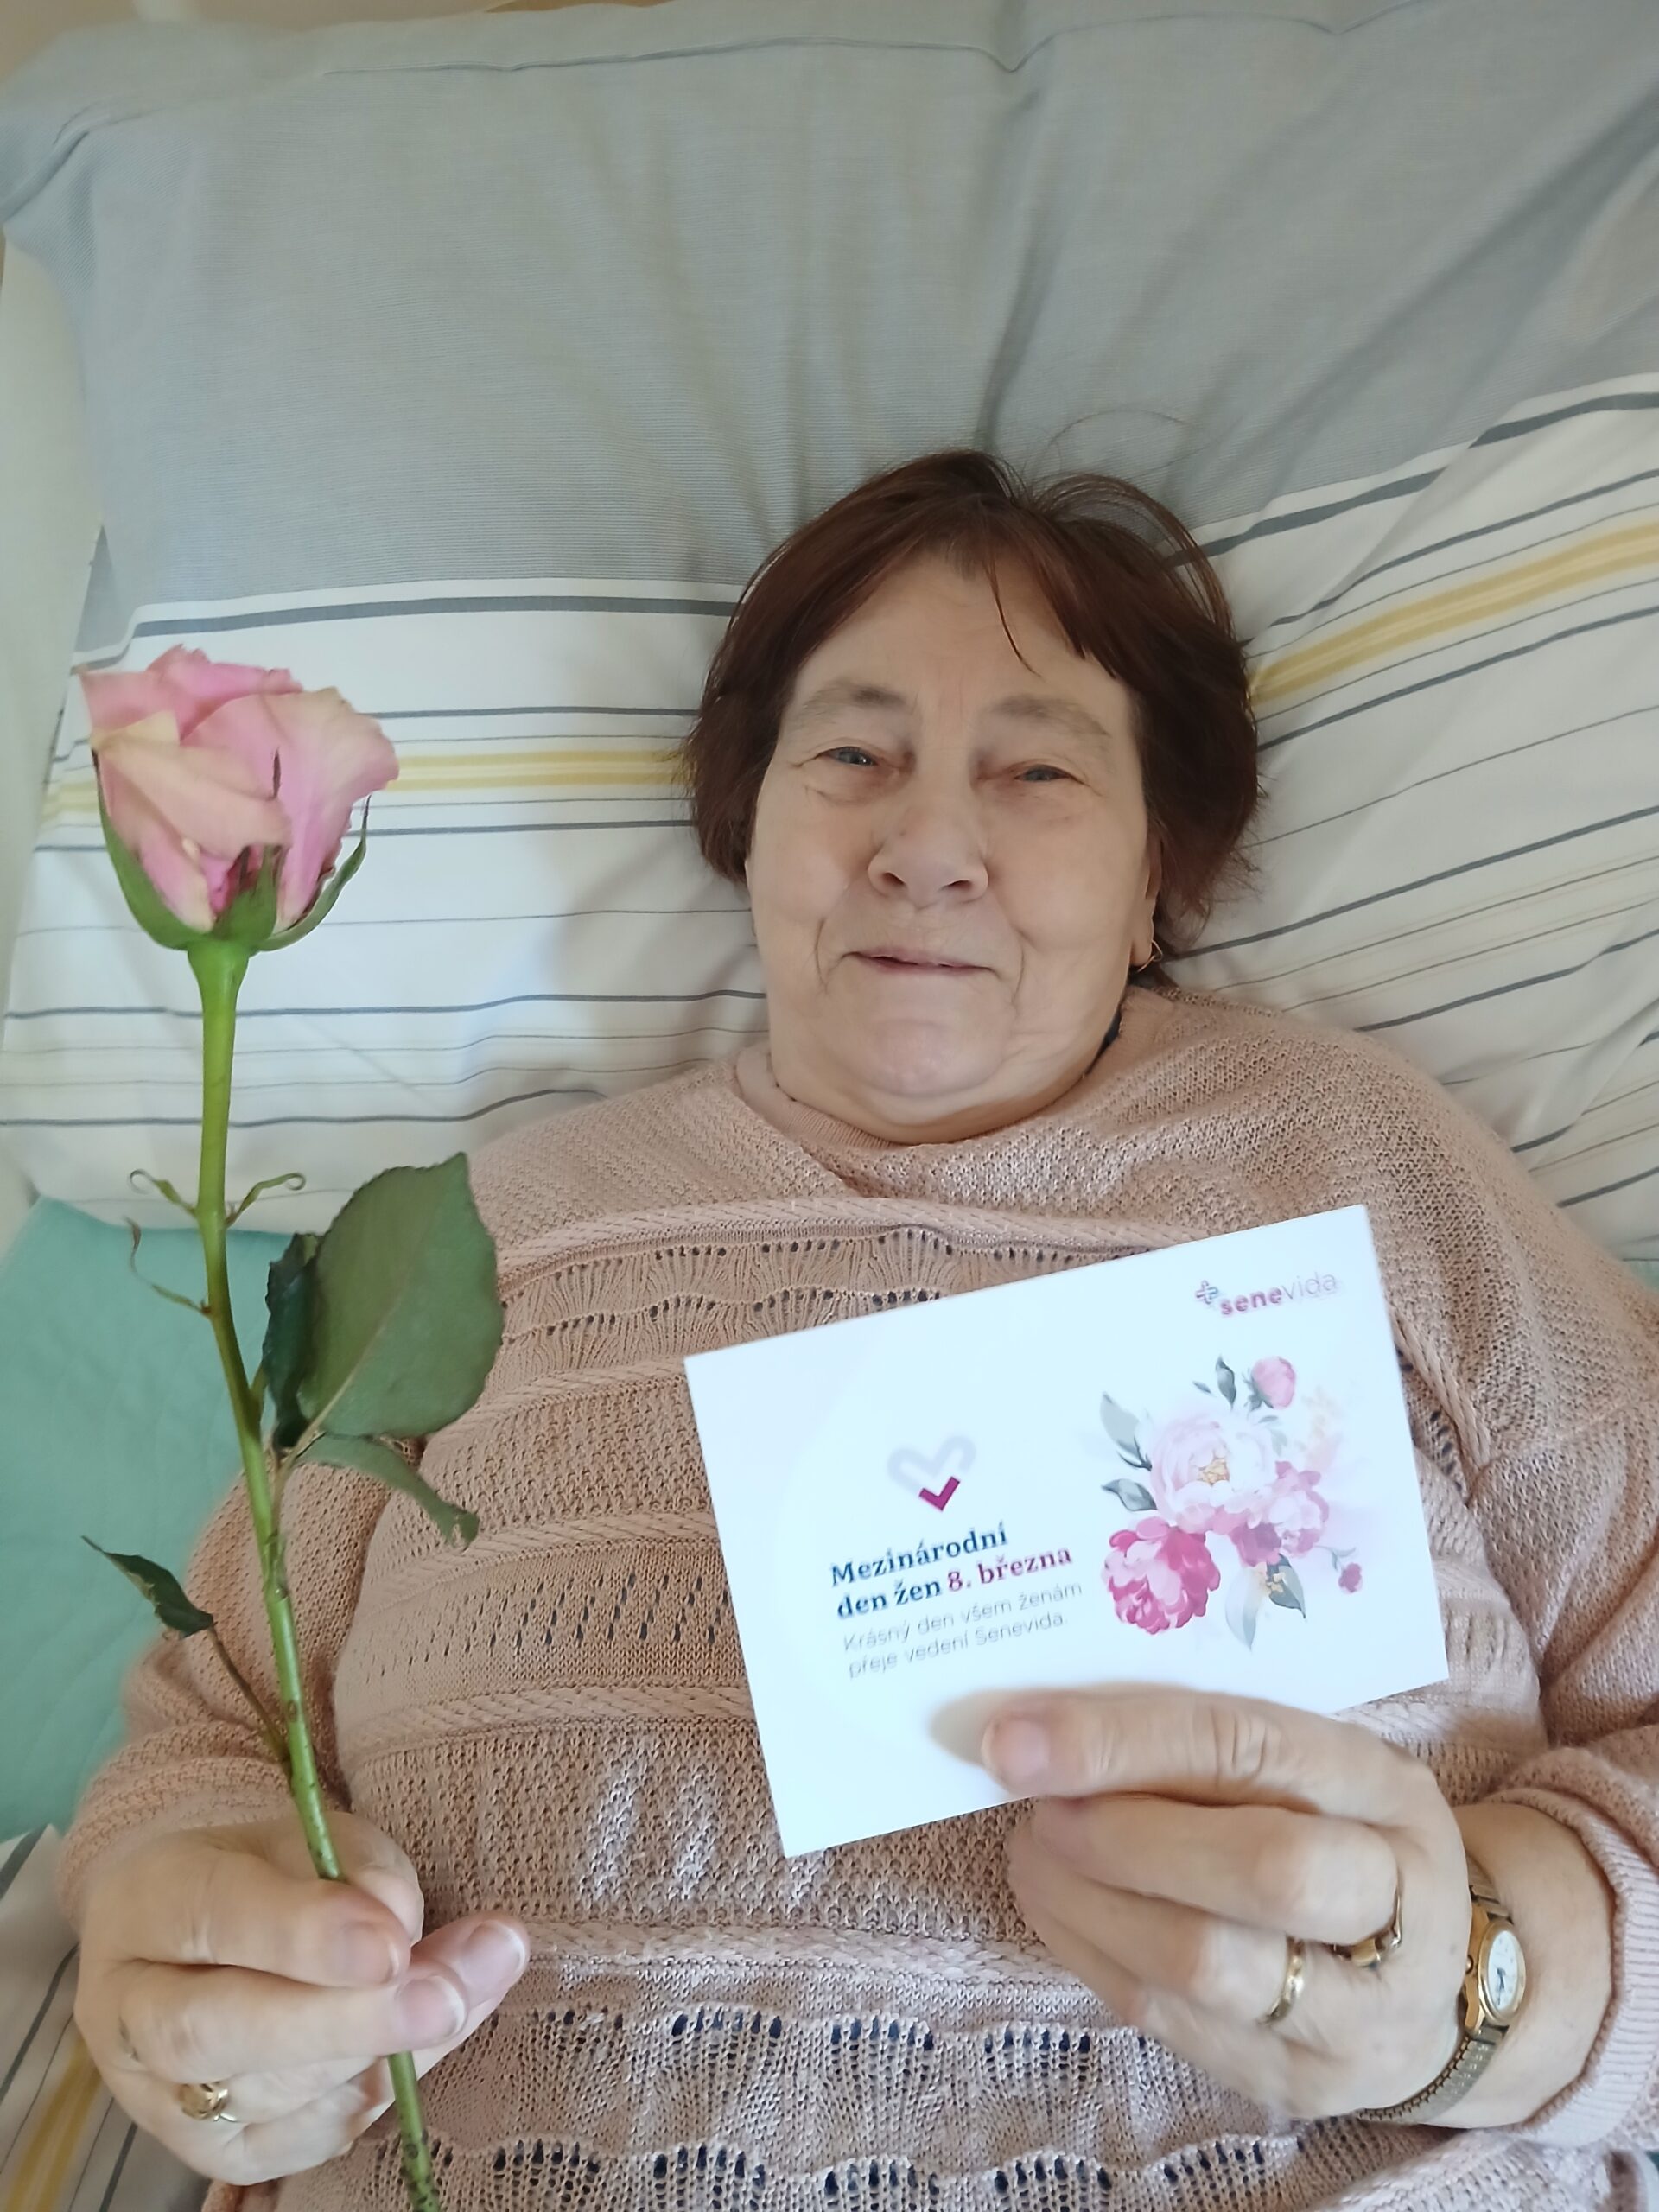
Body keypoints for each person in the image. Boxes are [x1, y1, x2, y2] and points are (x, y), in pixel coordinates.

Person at [60, 450, 1659, 2212]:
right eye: (851, 757)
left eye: (1038, 769)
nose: (927, 847)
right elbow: (211, 1732)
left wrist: (1489, 1991)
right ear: (748, 826)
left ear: (1157, 878)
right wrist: (205, 1984)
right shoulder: (486, 1222)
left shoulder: (1359, 1161)